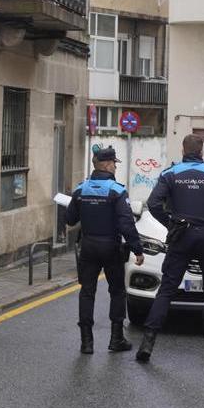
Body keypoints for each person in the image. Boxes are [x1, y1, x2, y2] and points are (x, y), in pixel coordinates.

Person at [136, 134, 204, 362]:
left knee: (167, 289)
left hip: (181, 237)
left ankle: (147, 343)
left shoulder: (170, 174)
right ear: (202, 152)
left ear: (183, 150)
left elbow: (153, 204)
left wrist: (172, 223)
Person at [65, 145, 145, 354]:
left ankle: (86, 343)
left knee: (87, 292)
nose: (115, 168)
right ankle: (116, 339)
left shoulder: (80, 189)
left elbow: (70, 219)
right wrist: (137, 250)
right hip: (111, 247)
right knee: (117, 292)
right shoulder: (117, 191)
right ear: (108, 164)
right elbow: (126, 223)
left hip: (88, 247)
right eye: (114, 164)